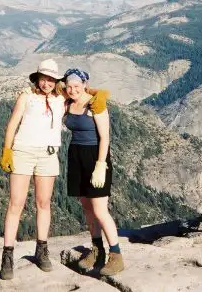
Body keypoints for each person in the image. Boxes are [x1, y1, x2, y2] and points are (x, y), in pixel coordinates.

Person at [0, 58, 65, 280]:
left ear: (56, 81)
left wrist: (97, 93)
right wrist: (7, 150)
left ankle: (41, 250)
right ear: (38, 78)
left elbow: (83, 93)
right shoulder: (27, 96)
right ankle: (7, 257)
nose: (46, 83)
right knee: (16, 204)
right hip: (23, 152)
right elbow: (13, 123)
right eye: (43, 79)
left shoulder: (61, 99)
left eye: (51, 80)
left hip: (48, 155)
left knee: (43, 203)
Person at [63, 68, 124, 276]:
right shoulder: (69, 102)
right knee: (87, 208)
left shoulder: (95, 104)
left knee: (100, 209)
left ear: (84, 85)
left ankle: (116, 255)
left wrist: (100, 165)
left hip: (95, 157)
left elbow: (105, 137)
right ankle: (97, 249)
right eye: (69, 86)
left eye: (77, 86)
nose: (72, 90)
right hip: (76, 156)